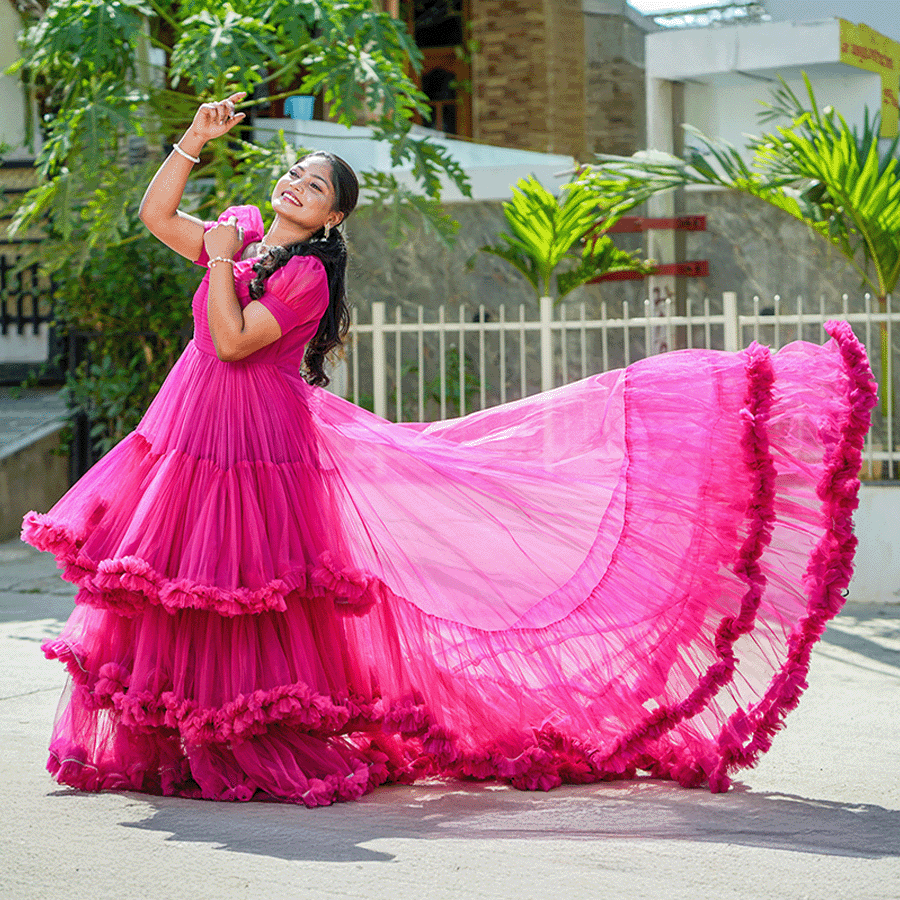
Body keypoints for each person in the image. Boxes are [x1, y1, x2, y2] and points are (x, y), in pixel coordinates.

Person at [23, 95, 877, 808]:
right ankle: (179, 741)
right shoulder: (245, 240)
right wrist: (193, 144)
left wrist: (217, 263)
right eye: (296, 171)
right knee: (182, 587)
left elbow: (238, 340)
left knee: (249, 594)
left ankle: (250, 739)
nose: (296, 182)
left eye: (315, 183)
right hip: (194, 437)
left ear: (333, 216)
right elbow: (154, 215)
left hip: (256, 445)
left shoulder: (304, 274)